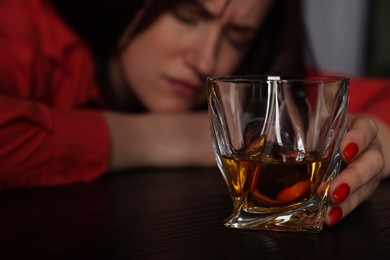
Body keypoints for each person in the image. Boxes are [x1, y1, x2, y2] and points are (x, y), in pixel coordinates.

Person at [0, 0, 389, 227]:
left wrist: (376, 142)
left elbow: (362, 103)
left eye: (236, 37)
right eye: (187, 16)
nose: (204, 59)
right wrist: (171, 137)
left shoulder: (256, 89)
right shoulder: (25, 25)